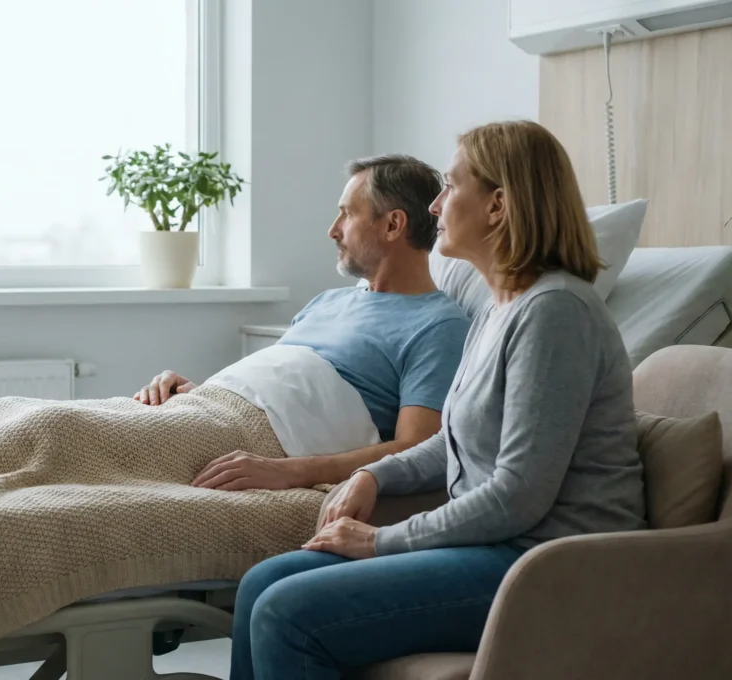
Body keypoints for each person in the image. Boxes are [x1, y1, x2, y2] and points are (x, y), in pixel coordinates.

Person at [228, 120, 648, 680]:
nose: (435, 205)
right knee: (260, 584)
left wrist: (383, 541)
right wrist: (376, 476)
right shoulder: (501, 308)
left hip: (550, 564)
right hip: (500, 546)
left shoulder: (555, 313)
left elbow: (519, 495)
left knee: (287, 613)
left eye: (450, 187)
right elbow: (450, 441)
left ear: (497, 205)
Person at [136, 154, 470, 491]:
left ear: (393, 225)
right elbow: (274, 394)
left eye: (348, 214)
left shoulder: (438, 326)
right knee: (91, 425)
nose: (333, 230)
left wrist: (290, 471)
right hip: (205, 414)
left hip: (261, 446)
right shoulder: (326, 301)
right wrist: (195, 392)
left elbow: (416, 450)